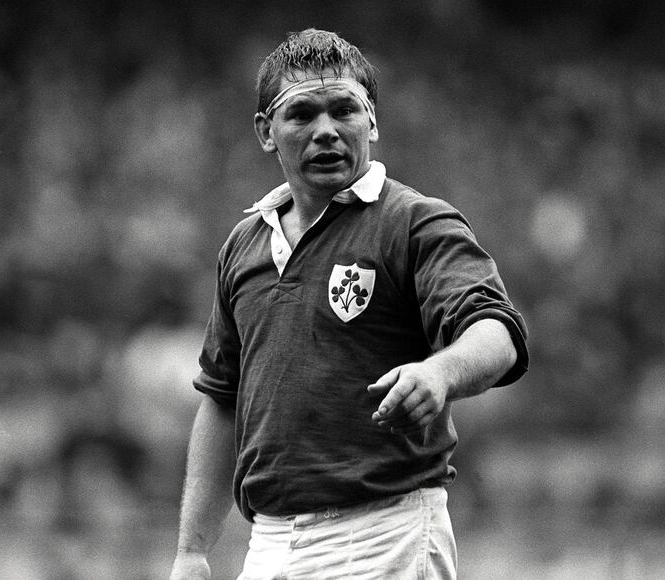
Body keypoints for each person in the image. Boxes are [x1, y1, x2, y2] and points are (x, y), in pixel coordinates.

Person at [169, 28, 529, 580]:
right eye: (303, 115)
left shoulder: (414, 222)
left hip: (384, 534)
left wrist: (439, 373)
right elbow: (222, 398)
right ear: (267, 132)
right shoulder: (243, 246)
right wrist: (192, 550)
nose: (327, 131)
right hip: (268, 543)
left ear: (373, 123)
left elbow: (496, 334)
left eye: (344, 110)